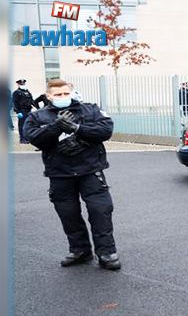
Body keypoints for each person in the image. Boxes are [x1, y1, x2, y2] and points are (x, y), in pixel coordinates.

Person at [23, 79, 121, 271]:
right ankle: (80, 250)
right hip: (59, 174)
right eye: (58, 95)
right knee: (68, 214)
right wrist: (56, 127)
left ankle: (106, 252)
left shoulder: (90, 109)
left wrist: (78, 130)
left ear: (72, 92)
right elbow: (33, 138)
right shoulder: (38, 116)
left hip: (90, 170)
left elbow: (106, 129)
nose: (62, 97)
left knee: (100, 210)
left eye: (65, 93)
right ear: (48, 96)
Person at [12, 79, 35, 143]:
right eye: (21, 84)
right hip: (22, 111)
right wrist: (18, 112)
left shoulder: (27, 92)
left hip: (28, 110)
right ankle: (22, 139)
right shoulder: (16, 92)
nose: (23, 85)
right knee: (22, 125)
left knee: (28, 125)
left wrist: (36, 107)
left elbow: (31, 100)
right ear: (18, 84)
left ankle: (27, 138)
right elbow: (14, 102)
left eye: (23, 84)